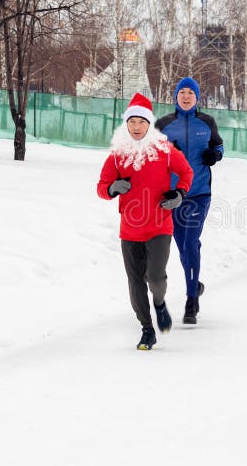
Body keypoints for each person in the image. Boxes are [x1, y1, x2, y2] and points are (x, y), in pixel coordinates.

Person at [97, 93, 194, 350]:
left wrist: (180, 193)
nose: (137, 127)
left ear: (149, 124)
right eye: (132, 122)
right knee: (135, 281)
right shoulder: (118, 156)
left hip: (160, 224)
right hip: (129, 229)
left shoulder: (164, 150)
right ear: (126, 125)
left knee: (155, 277)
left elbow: (186, 172)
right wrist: (112, 188)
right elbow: (101, 187)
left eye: (141, 122)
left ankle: (160, 303)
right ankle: (147, 328)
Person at [156, 77, 224, 325]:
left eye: (190, 93)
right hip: (172, 196)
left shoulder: (207, 122)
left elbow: (219, 146)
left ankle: (191, 298)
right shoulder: (164, 124)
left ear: (197, 98)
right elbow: (150, 153)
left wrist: (214, 154)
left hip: (198, 193)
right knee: (182, 245)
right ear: (176, 97)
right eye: (182, 92)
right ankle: (195, 283)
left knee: (191, 243)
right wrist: (166, 153)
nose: (186, 97)